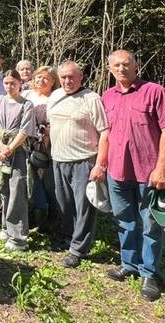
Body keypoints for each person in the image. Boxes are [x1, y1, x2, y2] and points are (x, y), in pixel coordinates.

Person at [95, 50, 165, 301]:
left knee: (151, 224)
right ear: (109, 69)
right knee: (125, 220)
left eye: (126, 64)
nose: (121, 69)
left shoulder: (154, 91)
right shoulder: (107, 96)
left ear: (136, 65)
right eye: (116, 65)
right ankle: (129, 263)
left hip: (148, 173)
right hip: (117, 172)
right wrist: (101, 165)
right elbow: (105, 134)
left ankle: (150, 273)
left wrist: (163, 168)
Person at [47, 61, 109, 269]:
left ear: (81, 76)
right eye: (63, 77)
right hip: (58, 159)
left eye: (71, 77)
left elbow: (104, 132)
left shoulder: (91, 99)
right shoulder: (55, 96)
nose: (67, 81)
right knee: (64, 203)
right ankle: (68, 236)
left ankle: (78, 249)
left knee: (83, 206)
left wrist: (99, 163)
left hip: (84, 160)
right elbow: (51, 125)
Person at [0, 70, 38, 251]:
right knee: (4, 189)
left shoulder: (27, 105)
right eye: (6, 83)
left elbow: (24, 131)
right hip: (0, 149)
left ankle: (18, 237)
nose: (9, 86)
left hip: (18, 152)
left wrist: (10, 148)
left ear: (19, 84)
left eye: (13, 83)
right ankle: (6, 228)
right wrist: (1, 146)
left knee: (17, 191)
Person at [23, 66, 58, 229]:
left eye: (46, 78)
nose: (41, 81)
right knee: (29, 178)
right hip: (25, 141)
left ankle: (48, 216)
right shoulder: (26, 95)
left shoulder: (55, 98)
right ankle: (32, 213)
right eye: (38, 77)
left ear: (52, 82)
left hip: (46, 143)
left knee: (46, 179)